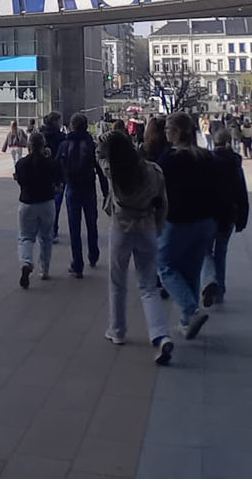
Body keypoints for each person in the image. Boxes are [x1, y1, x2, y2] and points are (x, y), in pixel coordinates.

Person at [97, 129, 175, 364]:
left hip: (121, 228)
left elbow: (98, 155)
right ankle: (160, 335)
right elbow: (163, 203)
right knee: (148, 286)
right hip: (147, 227)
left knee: (117, 281)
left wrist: (103, 140)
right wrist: (159, 226)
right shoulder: (153, 171)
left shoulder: (113, 171)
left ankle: (117, 330)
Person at [156, 112, 216, 338]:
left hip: (178, 220)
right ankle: (187, 321)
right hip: (205, 220)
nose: (165, 133)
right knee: (191, 270)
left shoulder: (170, 159)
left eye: (168, 129)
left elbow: (157, 187)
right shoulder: (205, 157)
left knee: (165, 266)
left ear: (178, 132)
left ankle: (191, 310)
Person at [57, 113, 109, 279]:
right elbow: (100, 170)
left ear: (72, 125)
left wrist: (58, 184)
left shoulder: (65, 144)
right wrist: (106, 191)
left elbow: (57, 166)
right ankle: (93, 254)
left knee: (75, 226)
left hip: (72, 188)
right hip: (88, 188)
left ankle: (77, 264)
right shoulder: (91, 144)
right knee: (91, 223)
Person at [203, 125, 249, 306]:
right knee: (221, 252)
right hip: (228, 214)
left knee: (206, 251)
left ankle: (208, 281)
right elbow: (241, 193)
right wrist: (242, 218)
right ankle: (219, 290)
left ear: (214, 142)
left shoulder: (206, 162)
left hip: (208, 214)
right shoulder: (235, 164)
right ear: (229, 142)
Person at [15, 131, 58, 286]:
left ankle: (26, 262)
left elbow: (19, 181)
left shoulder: (21, 164)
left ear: (29, 145)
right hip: (47, 202)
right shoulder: (49, 163)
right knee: (46, 238)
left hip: (27, 202)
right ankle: (44, 270)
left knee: (26, 237)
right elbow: (57, 178)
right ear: (43, 145)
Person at [41, 113, 66, 242]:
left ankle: (45, 229)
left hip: (43, 172)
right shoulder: (61, 137)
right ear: (56, 121)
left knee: (44, 202)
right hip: (57, 173)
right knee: (56, 203)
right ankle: (52, 229)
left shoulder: (41, 135)